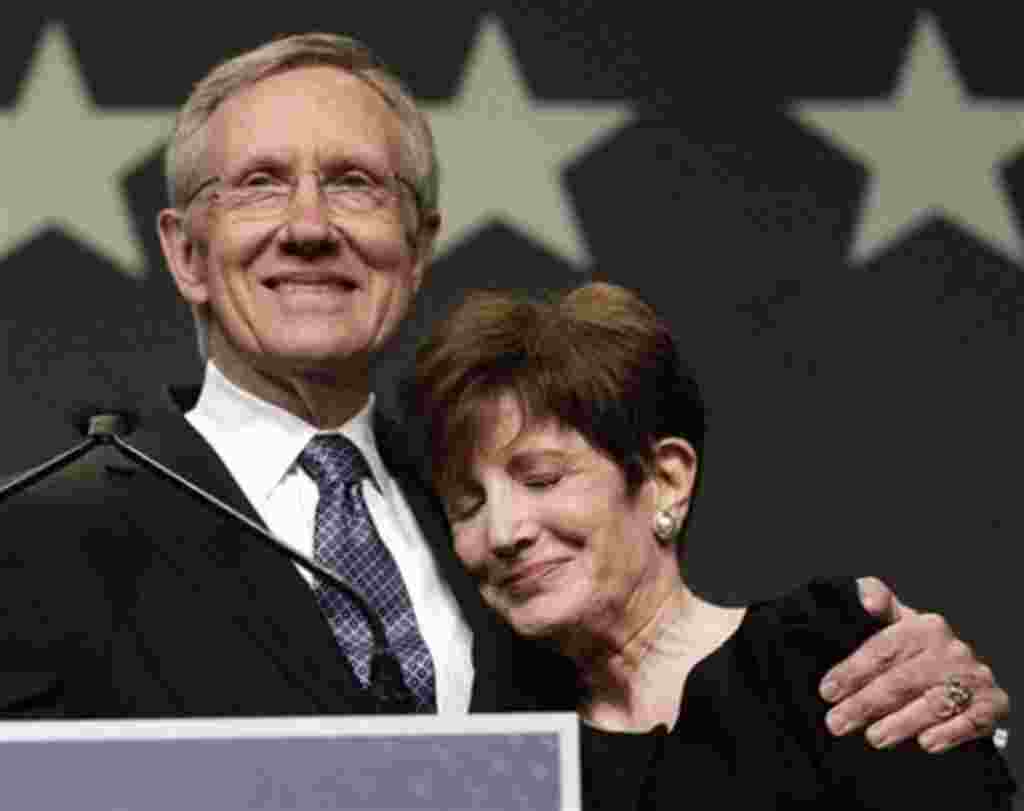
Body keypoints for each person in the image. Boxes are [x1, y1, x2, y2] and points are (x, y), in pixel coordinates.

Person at [0, 32, 1007, 751]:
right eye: (259, 184)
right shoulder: (46, 529)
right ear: (184, 252)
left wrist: (912, 681)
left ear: (419, 245)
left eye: (354, 183)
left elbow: (659, 694)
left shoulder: (484, 509)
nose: (308, 226)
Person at [406, 281, 1017, 808]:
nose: (504, 532)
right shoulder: (493, 748)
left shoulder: (828, 659)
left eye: (541, 478)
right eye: (469, 505)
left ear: (665, 479)